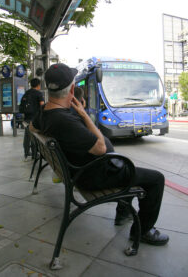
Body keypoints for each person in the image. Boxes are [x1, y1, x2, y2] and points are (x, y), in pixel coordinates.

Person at [30, 63, 169, 246]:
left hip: (83, 170)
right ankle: (142, 231)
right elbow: (100, 148)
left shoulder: (46, 113)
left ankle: (123, 212)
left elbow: (32, 127)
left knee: (130, 169)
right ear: (72, 89)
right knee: (156, 179)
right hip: (93, 176)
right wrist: (83, 113)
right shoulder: (65, 120)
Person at [21, 78, 44, 160]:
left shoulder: (26, 93)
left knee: (27, 136)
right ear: (38, 85)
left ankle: (26, 153)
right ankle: (34, 154)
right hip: (35, 119)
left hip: (27, 118)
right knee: (34, 136)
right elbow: (42, 105)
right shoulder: (38, 94)